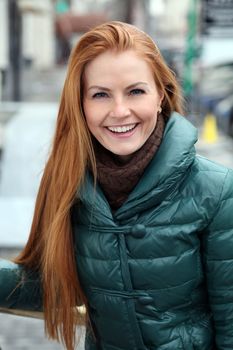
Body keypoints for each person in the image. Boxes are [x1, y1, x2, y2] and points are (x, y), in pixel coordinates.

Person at [1, 21, 233, 350]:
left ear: (160, 96)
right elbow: (51, 287)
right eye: (100, 95)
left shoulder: (216, 190)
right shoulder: (67, 183)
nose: (119, 111)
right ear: (80, 105)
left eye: (136, 91)